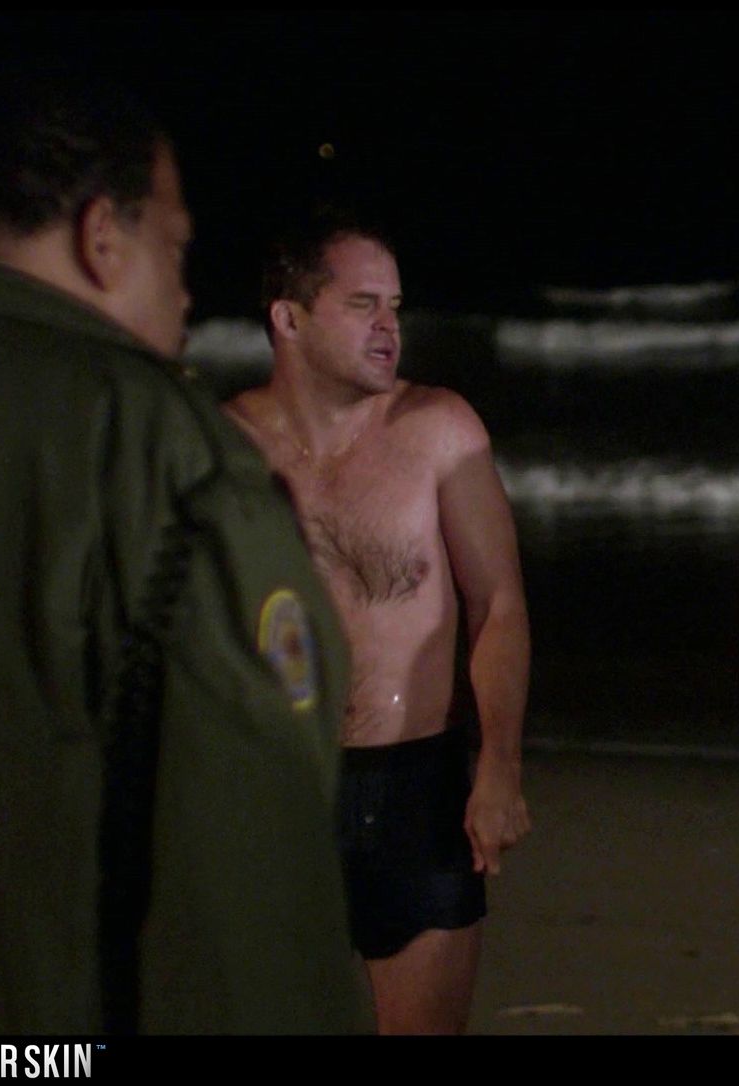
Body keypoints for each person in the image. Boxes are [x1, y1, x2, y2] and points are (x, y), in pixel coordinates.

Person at [0, 71, 365, 1032]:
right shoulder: (155, 450)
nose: (188, 293)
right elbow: (252, 893)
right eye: (175, 248)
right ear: (102, 236)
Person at [226, 212, 531, 1034]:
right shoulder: (224, 448)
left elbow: (498, 604)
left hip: (417, 788)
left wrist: (499, 764)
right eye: (363, 305)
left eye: (394, 306)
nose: (389, 327)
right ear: (289, 318)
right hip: (278, 786)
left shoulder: (438, 430)